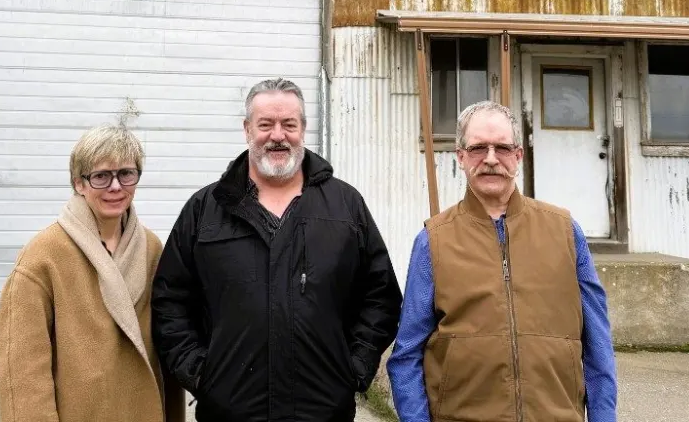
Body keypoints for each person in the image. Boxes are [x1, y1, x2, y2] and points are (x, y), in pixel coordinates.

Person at [152, 78, 403, 422]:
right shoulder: (206, 210)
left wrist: (355, 367)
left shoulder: (344, 206)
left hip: (323, 410)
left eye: (289, 124)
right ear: (247, 130)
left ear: (303, 129)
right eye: (265, 125)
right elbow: (170, 303)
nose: (278, 136)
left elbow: (381, 297)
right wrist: (200, 373)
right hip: (232, 411)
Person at [387, 101, 618, 422]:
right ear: (461, 157)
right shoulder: (433, 241)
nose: (492, 159)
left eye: (503, 148)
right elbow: (406, 355)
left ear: (518, 156)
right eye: (479, 148)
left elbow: (598, 347)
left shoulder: (565, 231)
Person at [0, 125, 184, 422]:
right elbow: (22, 374)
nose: (116, 187)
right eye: (100, 176)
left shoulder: (151, 248)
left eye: (126, 173)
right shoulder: (42, 256)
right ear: (78, 184)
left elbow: (167, 344)